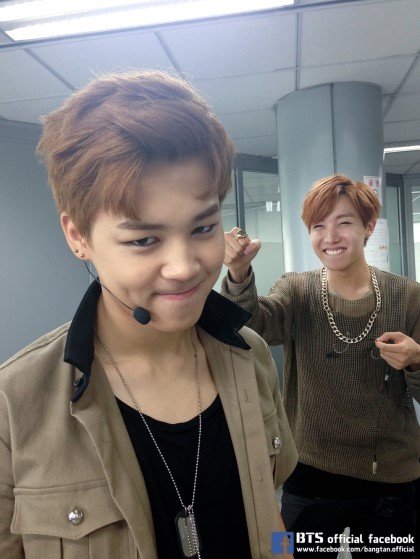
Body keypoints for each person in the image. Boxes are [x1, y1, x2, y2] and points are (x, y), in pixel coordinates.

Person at [0, 70, 297, 559]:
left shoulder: (251, 356)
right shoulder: (15, 404)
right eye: (143, 240)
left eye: (203, 228)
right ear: (78, 237)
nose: (184, 267)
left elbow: (271, 511)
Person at [221, 175, 420, 558]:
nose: (330, 237)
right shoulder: (297, 289)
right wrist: (239, 275)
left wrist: (415, 360)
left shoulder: (408, 296)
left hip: (391, 478)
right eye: (318, 226)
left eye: (344, 222)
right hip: (307, 473)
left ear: (368, 227)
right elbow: (254, 325)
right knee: (284, 552)